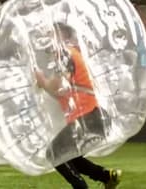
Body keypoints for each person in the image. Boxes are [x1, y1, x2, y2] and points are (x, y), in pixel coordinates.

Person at [34, 23, 122, 189]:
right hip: (93, 116)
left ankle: (81, 187)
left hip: (87, 115)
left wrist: (43, 82)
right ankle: (106, 176)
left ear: (63, 37)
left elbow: (59, 86)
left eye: (51, 35)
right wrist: (45, 84)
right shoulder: (70, 54)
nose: (47, 40)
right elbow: (63, 91)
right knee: (68, 155)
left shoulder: (65, 53)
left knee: (54, 153)